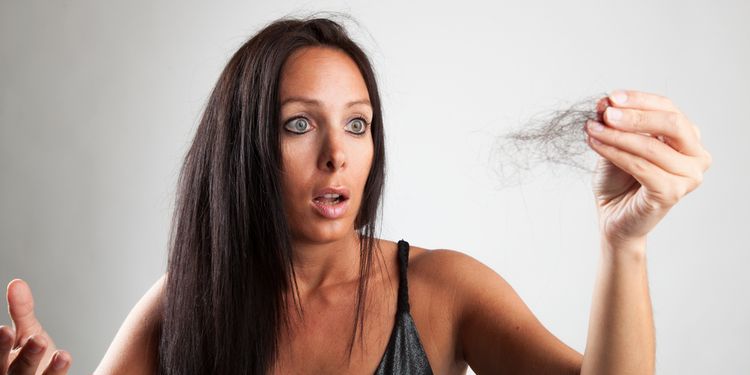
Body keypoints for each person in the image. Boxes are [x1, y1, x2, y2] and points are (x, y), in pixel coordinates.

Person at [1, 14, 712, 375]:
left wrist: (626, 243)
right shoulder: (185, 301)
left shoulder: (439, 290)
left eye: (358, 124)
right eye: (299, 123)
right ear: (244, 147)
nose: (338, 154)